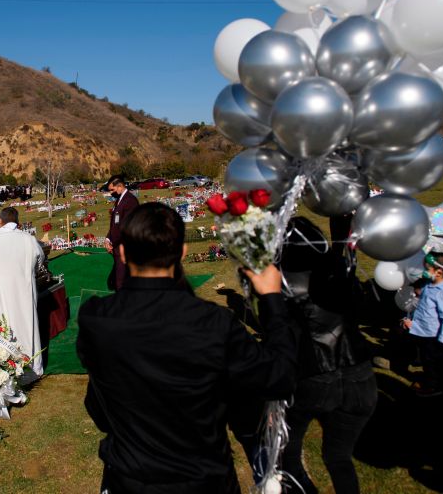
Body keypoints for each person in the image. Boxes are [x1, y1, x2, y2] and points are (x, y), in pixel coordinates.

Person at [77, 203, 297, 494]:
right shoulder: (214, 324)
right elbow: (280, 377)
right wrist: (271, 299)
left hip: (129, 478)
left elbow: (99, 408)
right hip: (202, 479)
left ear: (122, 253)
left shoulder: (96, 318)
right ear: (181, 252)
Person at [276, 217, 377, 494]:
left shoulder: (283, 278)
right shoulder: (339, 268)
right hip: (360, 374)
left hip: (316, 374)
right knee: (338, 456)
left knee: (286, 450)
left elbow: (277, 330)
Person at [0, 206, 45, 383]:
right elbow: (40, 261)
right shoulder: (29, 240)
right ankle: (30, 368)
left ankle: (0, 371)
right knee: (26, 327)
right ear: (17, 222)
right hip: (24, 295)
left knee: (0, 329)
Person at [403, 251, 443, 396]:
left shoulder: (442, 293)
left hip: (432, 336)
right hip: (421, 329)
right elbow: (423, 308)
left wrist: (442, 340)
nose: (424, 272)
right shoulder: (429, 285)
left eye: (427, 269)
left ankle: (433, 386)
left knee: (431, 360)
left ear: (439, 272)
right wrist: (412, 322)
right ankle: (428, 375)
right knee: (425, 358)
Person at [104, 175, 139, 290]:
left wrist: (114, 242)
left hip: (126, 248)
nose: (111, 193)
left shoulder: (130, 201)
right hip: (118, 248)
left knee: (123, 282)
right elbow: (115, 224)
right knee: (119, 281)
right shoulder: (119, 201)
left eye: (112, 190)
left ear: (119, 186)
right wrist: (108, 239)